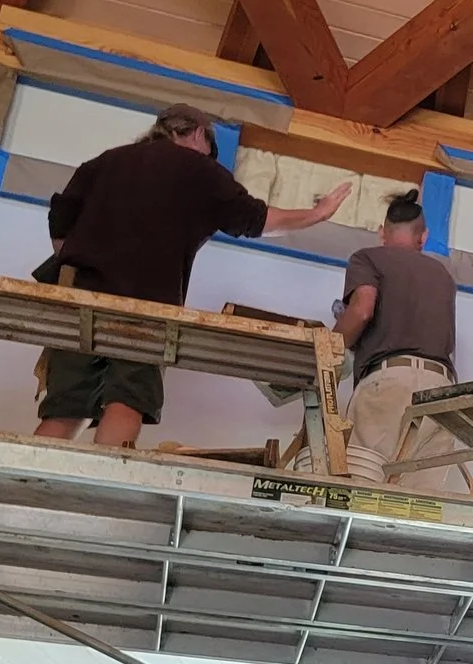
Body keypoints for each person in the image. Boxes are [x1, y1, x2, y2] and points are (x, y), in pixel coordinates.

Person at [36, 104, 350, 447]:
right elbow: (256, 220)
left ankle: (30, 482)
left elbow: (61, 224)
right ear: (199, 134)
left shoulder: (105, 161)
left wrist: (94, 261)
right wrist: (316, 214)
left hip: (80, 295)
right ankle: (99, 489)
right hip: (147, 304)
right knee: (127, 401)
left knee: (65, 409)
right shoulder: (198, 170)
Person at [333, 190, 469, 490]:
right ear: (424, 237)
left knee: (362, 491)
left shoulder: (367, 258)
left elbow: (363, 310)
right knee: (417, 507)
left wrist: (329, 353)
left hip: (389, 384)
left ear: (383, 232)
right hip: (442, 393)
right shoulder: (443, 274)